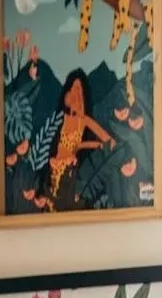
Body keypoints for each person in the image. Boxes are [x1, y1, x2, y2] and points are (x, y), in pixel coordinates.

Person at [49, 71, 116, 204]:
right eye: (73, 87)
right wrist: (52, 160)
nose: (75, 92)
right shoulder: (62, 118)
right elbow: (54, 146)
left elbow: (110, 141)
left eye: (78, 88)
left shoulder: (84, 120)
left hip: (69, 172)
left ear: (83, 94)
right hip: (54, 170)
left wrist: (85, 145)